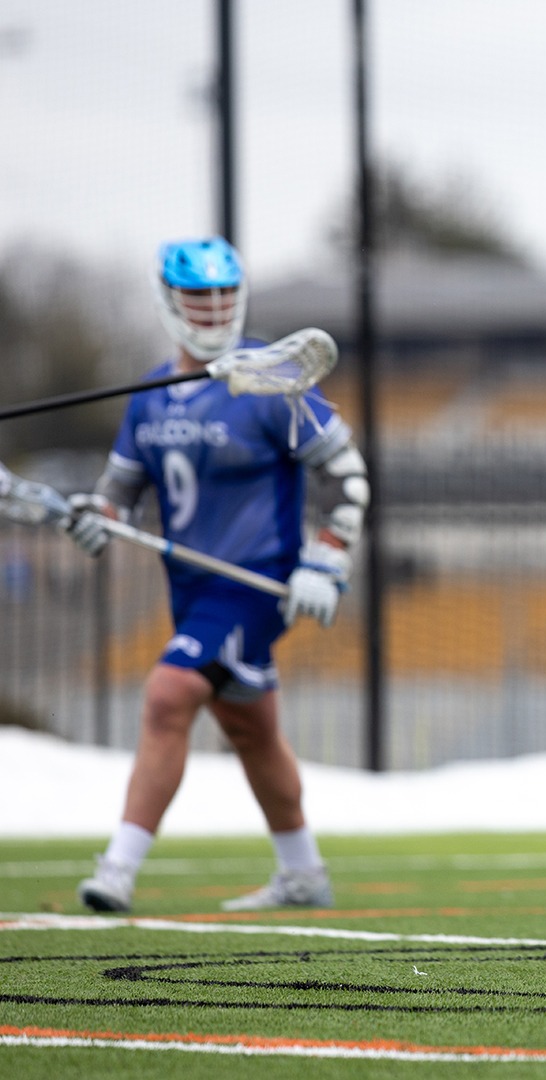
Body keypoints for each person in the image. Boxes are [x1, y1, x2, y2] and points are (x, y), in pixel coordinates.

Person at [65, 237, 369, 914]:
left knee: (169, 694)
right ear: (170, 303)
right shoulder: (151, 396)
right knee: (252, 730)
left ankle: (117, 870)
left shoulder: (274, 381)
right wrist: (93, 514)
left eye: (224, 296)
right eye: (198, 298)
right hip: (192, 589)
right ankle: (303, 873)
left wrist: (328, 557)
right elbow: (119, 493)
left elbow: (347, 477)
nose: (212, 311)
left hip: (257, 584)